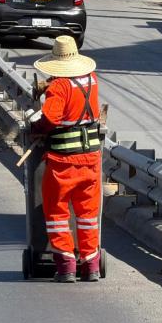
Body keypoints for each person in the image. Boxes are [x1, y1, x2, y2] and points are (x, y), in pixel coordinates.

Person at [30, 35, 103, 282]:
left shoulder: (59, 86)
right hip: (91, 158)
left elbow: (51, 118)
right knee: (87, 213)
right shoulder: (91, 80)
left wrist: (36, 127)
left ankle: (66, 266)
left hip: (63, 162)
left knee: (57, 212)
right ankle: (91, 263)